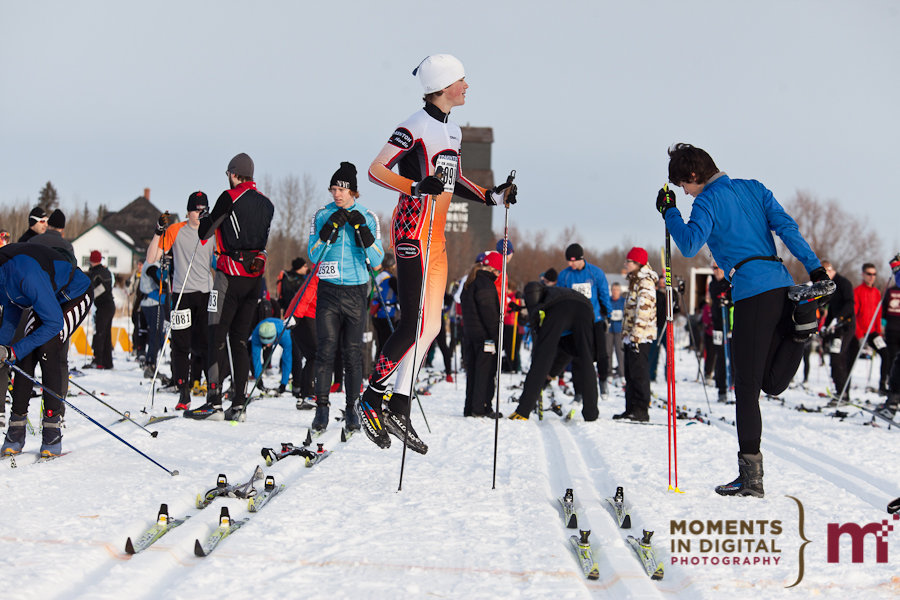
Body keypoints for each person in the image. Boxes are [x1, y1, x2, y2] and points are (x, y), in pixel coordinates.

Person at [358, 54, 517, 453]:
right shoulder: (414, 125)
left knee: (431, 329)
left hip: (437, 238)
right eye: (462, 81)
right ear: (445, 87)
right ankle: (371, 397)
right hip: (412, 231)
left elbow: (454, 179)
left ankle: (398, 404)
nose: (467, 87)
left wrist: (492, 196)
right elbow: (376, 170)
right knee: (412, 324)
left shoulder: (454, 133)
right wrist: (413, 187)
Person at [659, 143, 829, 498]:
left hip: (752, 293)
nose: (685, 194)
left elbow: (689, 245)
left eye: (683, 187)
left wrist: (670, 214)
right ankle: (800, 333)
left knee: (747, 387)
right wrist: (813, 267)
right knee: (771, 384)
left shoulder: (707, 201)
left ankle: (751, 478)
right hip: (782, 287)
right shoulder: (755, 187)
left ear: (693, 176)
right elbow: (786, 227)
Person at [185, 153, 274, 422]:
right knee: (238, 339)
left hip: (229, 276)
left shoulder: (230, 196)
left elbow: (204, 234)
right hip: (254, 280)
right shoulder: (267, 204)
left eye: (228, 174)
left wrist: (206, 216)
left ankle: (213, 401)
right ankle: (239, 404)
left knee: (215, 334)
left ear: (234, 175)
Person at [307, 162, 384, 433]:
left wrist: (362, 230)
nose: (336, 194)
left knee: (352, 354)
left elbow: (377, 260)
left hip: (355, 292)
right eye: (333, 189)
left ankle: (352, 409)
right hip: (328, 290)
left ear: (353, 191)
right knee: (325, 351)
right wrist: (329, 229)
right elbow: (313, 255)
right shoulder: (322, 214)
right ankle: (322, 409)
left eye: (341, 189)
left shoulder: (368, 216)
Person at [0, 244, 93, 458]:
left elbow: (54, 323)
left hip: (74, 294)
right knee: (26, 355)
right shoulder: (5, 277)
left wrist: (12, 350)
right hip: (46, 296)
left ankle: (52, 429)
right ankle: (16, 429)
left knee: (47, 349)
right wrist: (4, 347)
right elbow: (12, 306)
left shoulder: (25, 275)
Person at [146, 192, 216, 410]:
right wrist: (158, 231)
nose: (200, 214)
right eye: (196, 210)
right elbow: (151, 259)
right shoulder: (176, 230)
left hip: (205, 294)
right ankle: (183, 393)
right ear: (188, 211)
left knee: (206, 344)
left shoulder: (213, 231)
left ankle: (212, 391)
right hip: (182, 294)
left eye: (204, 210)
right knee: (180, 344)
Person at [509, 282, 598, 421]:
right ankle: (591, 413)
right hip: (585, 309)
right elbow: (565, 352)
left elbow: (542, 354)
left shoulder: (547, 302)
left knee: (541, 359)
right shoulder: (552, 291)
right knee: (586, 360)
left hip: (560, 310)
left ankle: (523, 411)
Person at [558, 243, 613, 400]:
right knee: (577, 356)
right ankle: (579, 392)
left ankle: (602, 380)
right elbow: (561, 298)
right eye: (568, 261)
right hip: (575, 322)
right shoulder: (565, 275)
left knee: (602, 353)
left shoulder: (595, 273)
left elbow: (603, 293)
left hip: (595, 319)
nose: (570, 264)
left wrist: (607, 313)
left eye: (573, 261)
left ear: (581, 259)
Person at [614, 247, 657, 422]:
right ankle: (630, 408)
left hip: (641, 337)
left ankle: (641, 409)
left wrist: (636, 337)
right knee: (630, 373)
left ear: (637, 263)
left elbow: (643, 312)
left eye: (628, 261)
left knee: (639, 374)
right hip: (630, 336)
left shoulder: (645, 283)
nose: (626, 264)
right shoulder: (635, 281)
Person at [461, 252, 503, 418]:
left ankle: (470, 407)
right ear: (493, 268)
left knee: (473, 372)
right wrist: (497, 337)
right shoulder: (485, 284)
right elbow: (490, 314)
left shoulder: (471, 282)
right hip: (484, 337)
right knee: (484, 373)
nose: (499, 275)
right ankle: (481, 408)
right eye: (499, 271)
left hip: (471, 335)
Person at [849, 262, 890, 395]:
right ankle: (844, 390)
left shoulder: (877, 293)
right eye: (869, 274)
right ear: (863, 274)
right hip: (859, 332)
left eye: (874, 274)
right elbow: (854, 315)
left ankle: (883, 386)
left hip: (872, 332)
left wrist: (879, 330)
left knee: (885, 353)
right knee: (851, 360)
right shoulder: (858, 291)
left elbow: (878, 314)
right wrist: (859, 335)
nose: (872, 277)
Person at [821, 261, 855, 403]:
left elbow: (850, 304)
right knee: (835, 358)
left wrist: (838, 319)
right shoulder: (830, 286)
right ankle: (841, 391)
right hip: (835, 327)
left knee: (838, 357)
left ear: (829, 270)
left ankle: (843, 393)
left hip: (845, 327)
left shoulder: (843, 283)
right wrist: (825, 325)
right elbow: (830, 309)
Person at [86, 250, 115, 370]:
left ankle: (98, 360)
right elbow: (109, 286)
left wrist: (90, 296)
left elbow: (102, 288)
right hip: (110, 305)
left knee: (99, 333)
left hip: (103, 306)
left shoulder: (94, 273)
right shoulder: (106, 271)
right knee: (106, 334)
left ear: (91, 260)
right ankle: (108, 362)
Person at [709, 262, 732, 402]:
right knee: (720, 356)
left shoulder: (729, 283)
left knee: (734, 355)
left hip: (730, 325)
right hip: (718, 325)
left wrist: (728, 302)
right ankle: (721, 388)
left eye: (718, 268)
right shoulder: (712, 284)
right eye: (714, 268)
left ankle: (734, 384)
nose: (716, 271)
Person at [250, 318, 292, 394]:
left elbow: (287, 359)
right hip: (262, 331)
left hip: (281, 333)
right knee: (252, 355)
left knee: (292, 356)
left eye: (270, 342)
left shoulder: (284, 334)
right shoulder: (256, 334)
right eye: (265, 343)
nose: (268, 345)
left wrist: (284, 383)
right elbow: (256, 358)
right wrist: (258, 379)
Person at [607, 282, 625, 383]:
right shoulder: (608, 300)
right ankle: (609, 372)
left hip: (619, 330)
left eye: (617, 290)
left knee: (620, 352)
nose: (615, 292)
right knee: (608, 352)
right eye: (613, 290)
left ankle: (622, 373)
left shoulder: (623, 301)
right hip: (609, 330)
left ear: (620, 291)